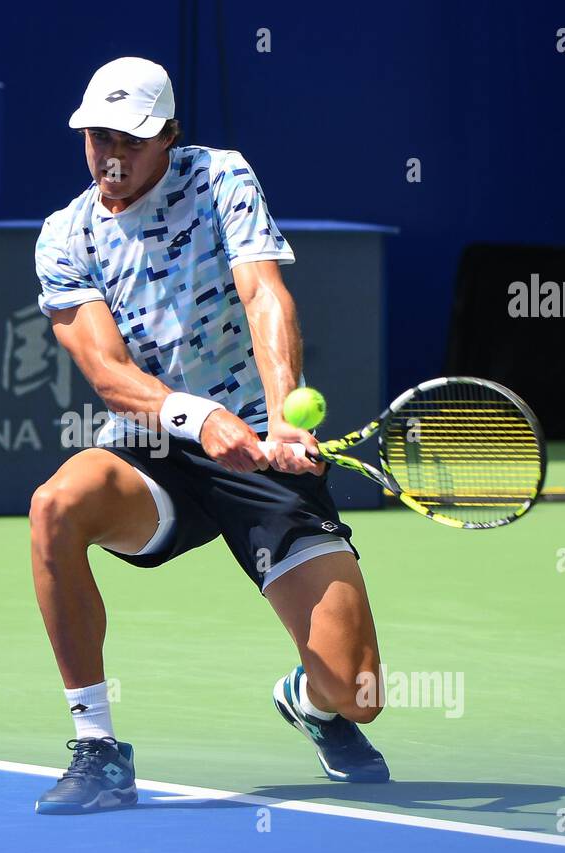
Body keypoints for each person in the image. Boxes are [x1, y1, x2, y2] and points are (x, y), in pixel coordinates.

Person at [31, 57, 389, 814]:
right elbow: (107, 371)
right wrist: (198, 417)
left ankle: (309, 704)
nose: (109, 155)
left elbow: (264, 294)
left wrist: (286, 415)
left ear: (168, 135)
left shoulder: (220, 177)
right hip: (156, 449)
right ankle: (96, 748)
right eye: (95, 136)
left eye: (127, 138)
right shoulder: (66, 235)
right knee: (56, 505)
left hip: (262, 447)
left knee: (357, 691)